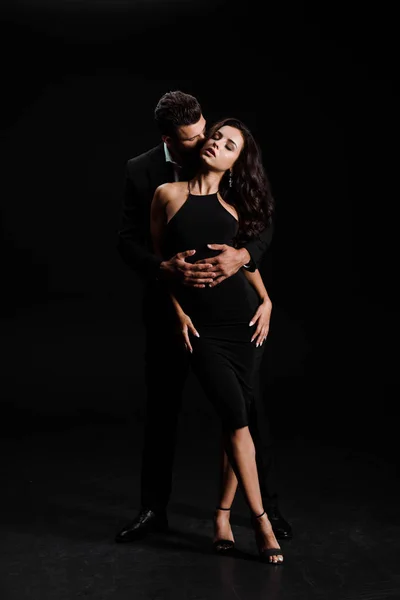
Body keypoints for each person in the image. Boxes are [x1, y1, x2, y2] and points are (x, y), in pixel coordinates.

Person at [114, 91, 292, 549]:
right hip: (170, 306)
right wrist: (163, 271)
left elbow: (261, 223)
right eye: (190, 140)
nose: (203, 145)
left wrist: (246, 258)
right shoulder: (145, 173)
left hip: (233, 313)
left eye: (205, 133)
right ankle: (153, 510)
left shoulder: (225, 159)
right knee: (162, 408)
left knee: (246, 412)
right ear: (168, 139)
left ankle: (265, 509)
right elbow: (130, 241)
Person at [149, 116, 284, 563]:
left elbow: (246, 263)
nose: (217, 145)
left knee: (236, 417)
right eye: (216, 137)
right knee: (236, 417)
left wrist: (266, 301)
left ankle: (223, 516)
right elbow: (161, 266)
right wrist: (179, 313)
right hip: (202, 328)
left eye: (229, 145)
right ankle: (262, 522)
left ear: (233, 163)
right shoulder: (167, 195)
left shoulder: (233, 208)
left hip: (243, 324)